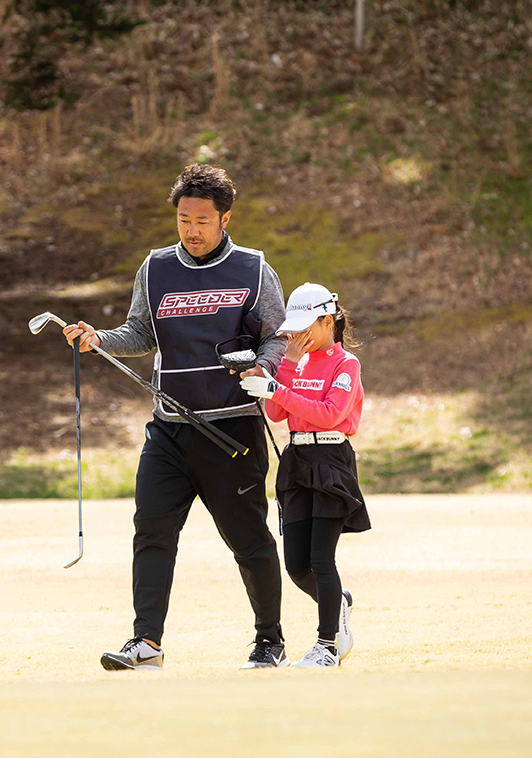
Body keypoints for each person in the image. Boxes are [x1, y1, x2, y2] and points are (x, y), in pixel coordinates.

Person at [62, 164, 290, 670]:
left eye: (202, 221)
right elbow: (140, 333)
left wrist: (263, 364)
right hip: (169, 428)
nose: (191, 230)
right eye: (184, 219)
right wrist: (100, 338)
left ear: (225, 218)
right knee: (152, 529)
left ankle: (269, 641)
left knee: (248, 538)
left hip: (232, 428)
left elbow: (277, 335)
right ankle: (146, 643)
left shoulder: (253, 269)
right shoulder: (156, 268)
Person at [240, 282, 370, 668]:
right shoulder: (296, 360)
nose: (298, 335)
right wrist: (280, 374)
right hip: (297, 459)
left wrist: (277, 389)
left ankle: (326, 646)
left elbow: (330, 412)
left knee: (321, 560)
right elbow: (280, 415)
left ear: (327, 321)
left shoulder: (346, 364)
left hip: (331, 458)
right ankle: (338, 602)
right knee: (296, 564)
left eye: (306, 326)